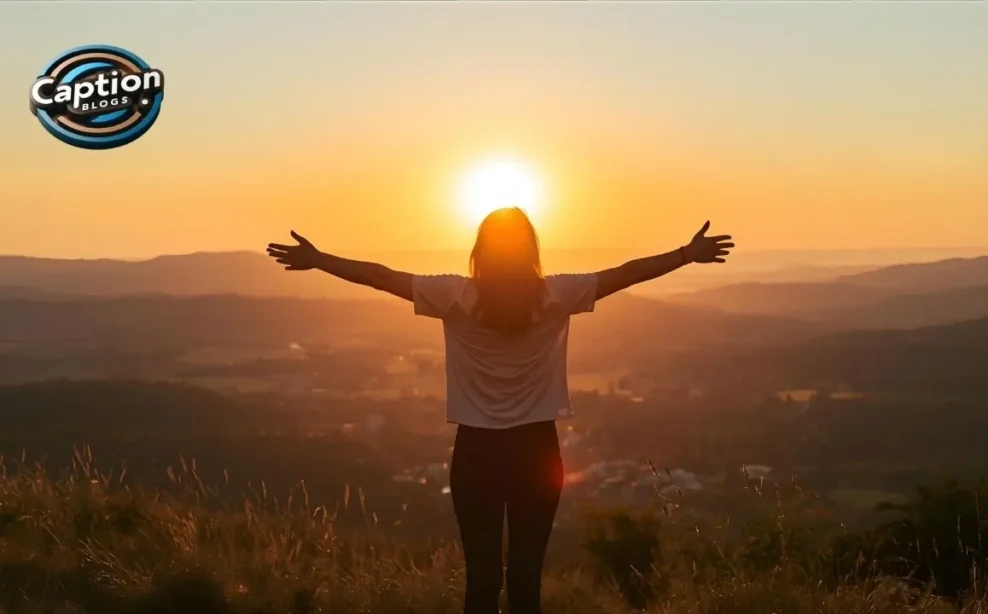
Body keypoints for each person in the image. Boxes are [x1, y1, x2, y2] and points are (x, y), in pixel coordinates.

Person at [266, 208, 733, 614]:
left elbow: (381, 276)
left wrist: (320, 259)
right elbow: (624, 273)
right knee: (526, 578)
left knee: (483, 578)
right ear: (530, 249)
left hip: (476, 450)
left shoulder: (456, 296)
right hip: (537, 450)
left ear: (480, 250)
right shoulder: (555, 295)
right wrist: (685, 255)